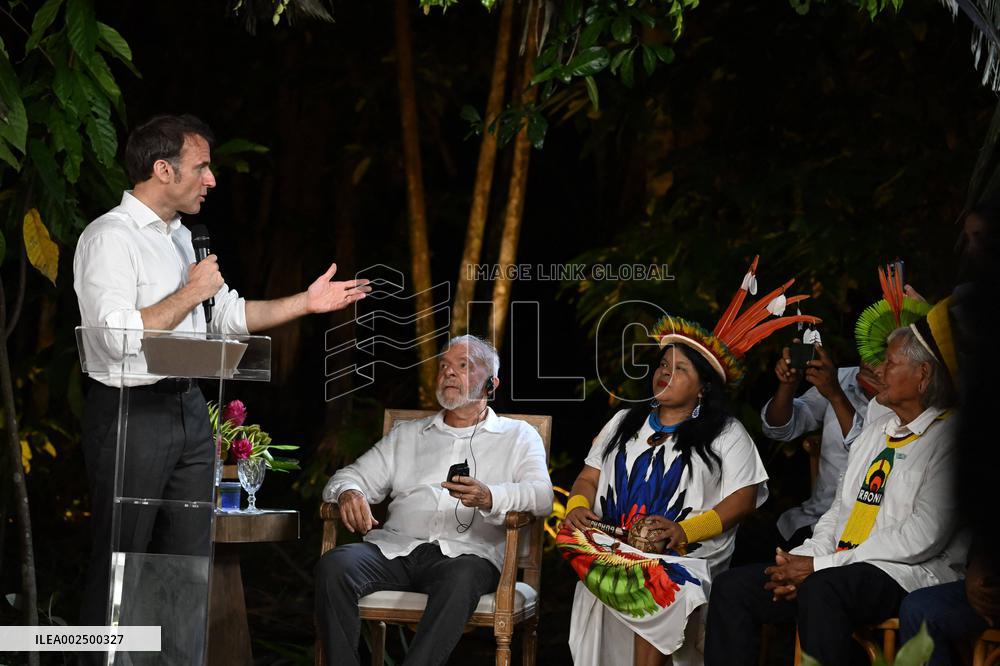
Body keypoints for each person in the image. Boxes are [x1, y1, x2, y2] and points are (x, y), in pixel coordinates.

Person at [73, 114, 370, 653]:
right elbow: (114, 337)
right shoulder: (108, 238)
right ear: (163, 170)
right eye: (201, 167)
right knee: (123, 563)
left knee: (185, 569)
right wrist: (190, 293)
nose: (212, 180)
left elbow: (224, 317)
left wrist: (306, 303)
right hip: (128, 412)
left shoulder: (186, 238)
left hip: (188, 409)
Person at [559, 256, 819, 666]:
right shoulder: (625, 421)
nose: (665, 373)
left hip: (687, 554)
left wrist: (684, 529)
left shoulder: (727, 433)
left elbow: (744, 498)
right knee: (594, 555)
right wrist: (577, 506)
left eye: (679, 369)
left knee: (660, 576)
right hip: (614, 542)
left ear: (702, 389)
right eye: (663, 364)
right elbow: (589, 476)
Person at [704, 310, 966, 666]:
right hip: (840, 566)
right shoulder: (877, 429)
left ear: (923, 376)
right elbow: (840, 509)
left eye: (890, 363)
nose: (879, 370)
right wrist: (805, 557)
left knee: (822, 588)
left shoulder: (951, 437)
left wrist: (821, 566)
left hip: (903, 572)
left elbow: (922, 536)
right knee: (733, 588)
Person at [315, 335, 553, 666]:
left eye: (463, 365)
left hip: (467, 556)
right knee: (335, 565)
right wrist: (349, 492)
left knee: (461, 577)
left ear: (491, 384)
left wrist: (490, 496)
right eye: (443, 365)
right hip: (395, 550)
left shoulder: (517, 436)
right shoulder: (408, 434)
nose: (449, 372)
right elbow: (346, 477)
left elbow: (543, 497)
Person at [761, 262, 930, 549]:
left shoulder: (913, 401)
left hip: (866, 530)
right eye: (869, 345)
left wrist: (835, 395)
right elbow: (778, 430)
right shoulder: (842, 378)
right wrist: (788, 385)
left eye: (885, 354)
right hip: (811, 519)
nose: (870, 360)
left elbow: (869, 457)